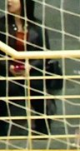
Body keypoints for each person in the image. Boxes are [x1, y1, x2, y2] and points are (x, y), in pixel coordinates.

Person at [0, 0, 60, 135]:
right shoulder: (1, 25)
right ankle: (2, 129)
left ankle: (42, 128)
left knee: (37, 86)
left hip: (31, 70)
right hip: (6, 71)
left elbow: (45, 54)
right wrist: (9, 67)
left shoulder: (37, 26)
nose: (9, 1)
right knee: (5, 87)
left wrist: (30, 66)